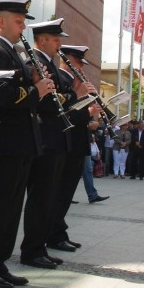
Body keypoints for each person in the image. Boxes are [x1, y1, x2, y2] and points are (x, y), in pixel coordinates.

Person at [0, 0, 52, 288]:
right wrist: (35, 91)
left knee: (10, 209)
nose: (23, 27)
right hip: (1, 141)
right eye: (19, 22)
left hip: (18, 142)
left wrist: (34, 84)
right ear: (1, 21)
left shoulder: (14, 52)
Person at [20, 18, 77, 269]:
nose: (58, 44)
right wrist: (67, 96)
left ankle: (39, 246)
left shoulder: (48, 63)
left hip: (56, 137)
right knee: (40, 197)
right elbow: (45, 101)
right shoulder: (37, 61)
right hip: (45, 138)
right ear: (42, 39)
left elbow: (66, 96)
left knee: (48, 197)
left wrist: (68, 96)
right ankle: (32, 250)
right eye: (55, 39)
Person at [47, 44, 104, 253]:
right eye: (78, 62)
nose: (81, 67)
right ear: (67, 59)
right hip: (67, 142)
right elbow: (66, 113)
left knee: (66, 192)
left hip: (78, 142)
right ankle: (54, 233)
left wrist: (92, 112)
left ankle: (59, 231)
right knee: (60, 193)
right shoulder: (61, 79)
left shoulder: (73, 81)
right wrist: (87, 110)